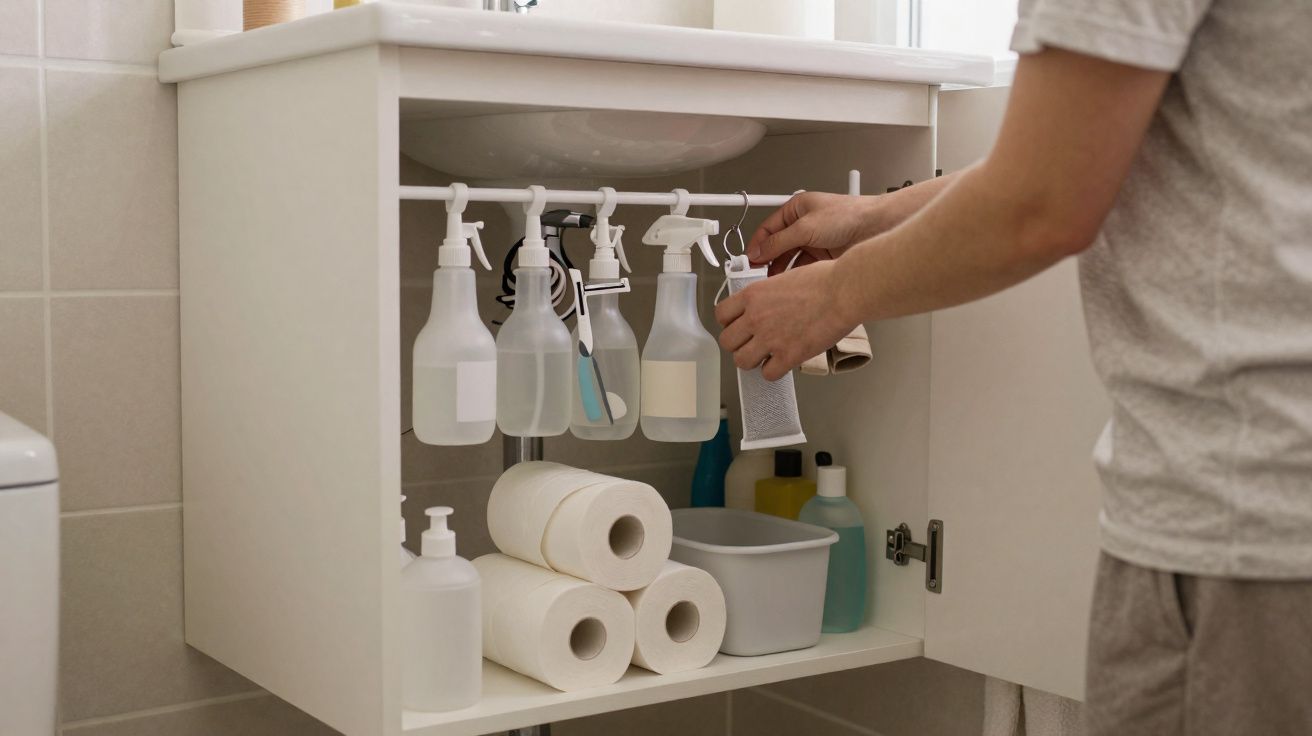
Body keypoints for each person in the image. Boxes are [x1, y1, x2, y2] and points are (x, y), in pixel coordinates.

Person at [715, 1, 1312, 733]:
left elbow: (1041, 202)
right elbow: (1081, 156)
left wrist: (832, 296)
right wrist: (874, 218)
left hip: (1247, 525)